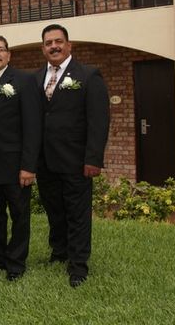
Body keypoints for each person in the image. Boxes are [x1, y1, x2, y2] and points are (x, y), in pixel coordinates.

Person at [35, 24, 109, 288]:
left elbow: (99, 121)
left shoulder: (88, 76)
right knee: (54, 209)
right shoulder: (36, 78)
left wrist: (93, 159)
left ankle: (78, 265)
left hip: (77, 161)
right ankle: (59, 251)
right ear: (43, 48)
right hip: (44, 161)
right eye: (48, 43)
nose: (53, 46)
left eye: (58, 41)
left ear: (69, 45)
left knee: (77, 213)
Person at [0, 35, 41, 282]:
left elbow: (33, 126)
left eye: (0, 50)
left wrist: (28, 166)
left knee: (19, 215)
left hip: (16, 166)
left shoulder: (24, 81)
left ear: (8, 55)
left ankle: (16, 263)